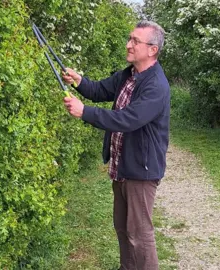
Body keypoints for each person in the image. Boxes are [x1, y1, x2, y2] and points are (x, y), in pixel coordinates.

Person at [62, 20, 169, 270]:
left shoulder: (156, 86)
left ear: (152, 49)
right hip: (122, 166)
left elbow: (127, 119)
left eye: (135, 41)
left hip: (141, 171)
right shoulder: (129, 75)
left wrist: (84, 112)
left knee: (140, 235)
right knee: (122, 227)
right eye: (129, 39)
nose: (128, 45)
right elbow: (99, 90)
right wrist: (78, 81)